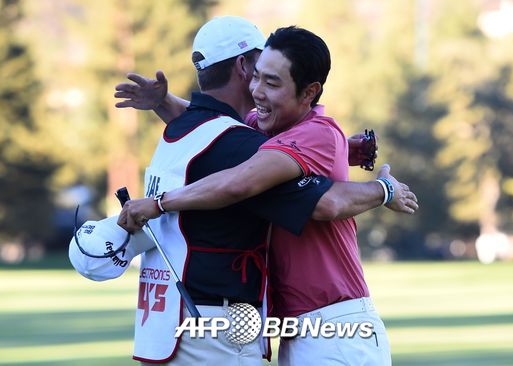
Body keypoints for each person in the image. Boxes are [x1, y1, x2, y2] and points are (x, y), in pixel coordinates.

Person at [117, 25, 418, 366]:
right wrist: (164, 103)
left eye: (272, 83)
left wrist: (159, 203)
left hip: (338, 326)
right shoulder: (264, 125)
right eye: (257, 77)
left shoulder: (317, 132)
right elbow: (214, 128)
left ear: (309, 93)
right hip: (299, 330)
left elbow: (240, 183)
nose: (257, 90)